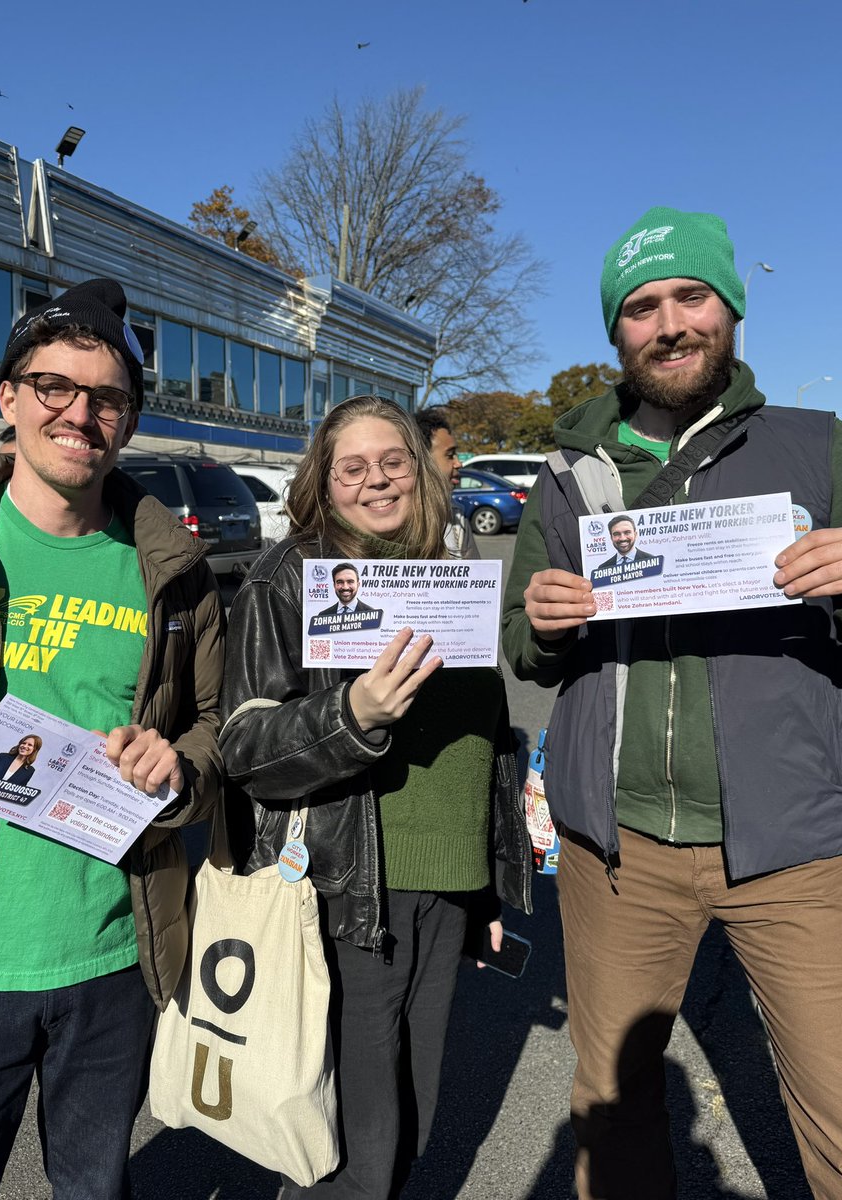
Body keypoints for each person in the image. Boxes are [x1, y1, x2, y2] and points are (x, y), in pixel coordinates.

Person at [502, 206, 842, 1200]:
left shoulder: (818, 447)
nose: (669, 323)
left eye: (690, 296)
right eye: (641, 307)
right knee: (612, 1121)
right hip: (618, 856)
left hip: (793, 849)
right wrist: (540, 619)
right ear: (616, 333)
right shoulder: (569, 474)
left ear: (729, 308)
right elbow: (519, 652)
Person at [0, 277, 224, 1200]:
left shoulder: (173, 570)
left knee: (95, 1189)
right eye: (54, 387)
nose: (79, 414)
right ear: (7, 397)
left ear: (127, 420)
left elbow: (217, 731)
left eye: (106, 398)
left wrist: (180, 768)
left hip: (113, 959)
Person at [221, 395, 531, 1200]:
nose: (377, 481)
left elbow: (479, 737)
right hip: (350, 880)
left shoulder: (442, 569)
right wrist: (350, 715)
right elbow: (246, 748)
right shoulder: (289, 578)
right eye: (351, 468)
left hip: (446, 882)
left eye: (393, 461)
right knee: (354, 1133)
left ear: (422, 469)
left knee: (408, 1111)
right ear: (323, 483)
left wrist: (489, 880)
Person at [413, 405, 479, 558]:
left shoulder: (456, 516)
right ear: (422, 460)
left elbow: (475, 578)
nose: (459, 463)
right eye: (450, 455)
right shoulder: (391, 520)